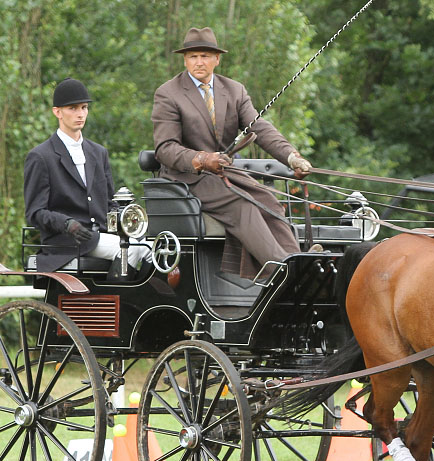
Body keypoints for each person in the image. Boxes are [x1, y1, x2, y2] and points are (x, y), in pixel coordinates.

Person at [152, 26, 314, 280]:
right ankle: (281, 272)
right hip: (185, 178)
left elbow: (260, 128)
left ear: (217, 59)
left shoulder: (234, 90)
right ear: (185, 60)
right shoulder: (168, 93)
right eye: (193, 56)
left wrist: (291, 157)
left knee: (270, 202)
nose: (199, 62)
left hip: (224, 174)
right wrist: (203, 159)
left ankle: (299, 264)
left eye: (205, 56)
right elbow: (165, 148)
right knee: (243, 206)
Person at [24, 78, 150, 279]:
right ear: (57, 112)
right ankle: (119, 305)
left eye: (84, 108)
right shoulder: (41, 156)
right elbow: (35, 212)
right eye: (73, 108)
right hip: (66, 241)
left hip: (101, 235)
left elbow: (110, 204)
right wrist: (67, 224)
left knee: (152, 247)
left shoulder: (99, 153)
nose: (80, 114)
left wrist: (133, 227)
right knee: (132, 250)